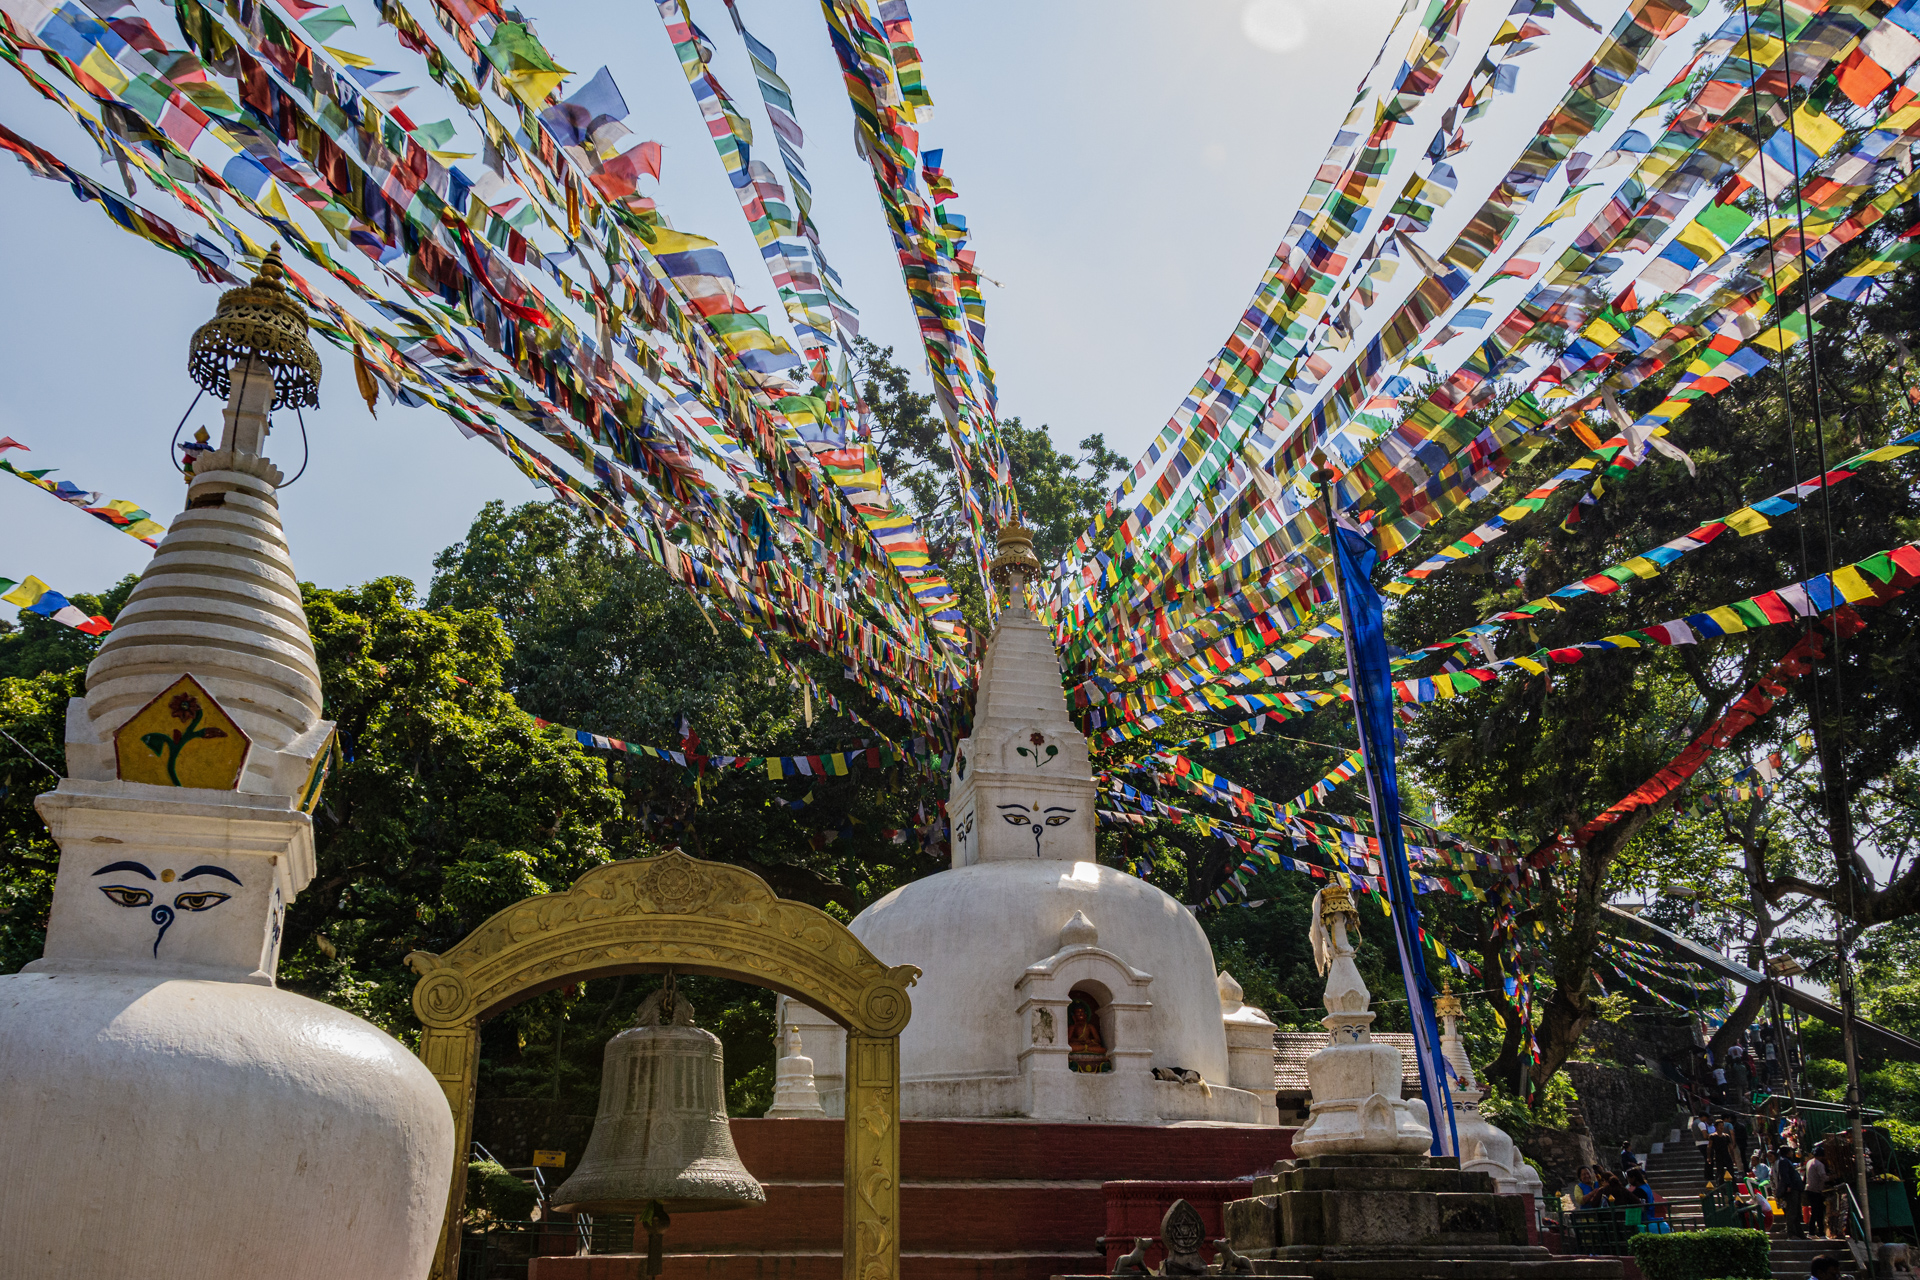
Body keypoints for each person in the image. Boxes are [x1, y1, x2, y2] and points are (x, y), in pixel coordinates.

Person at [1776, 1146, 1806, 1238]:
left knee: (1796, 1212)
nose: (1792, 1153)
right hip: (1791, 1189)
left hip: (1795, 1188)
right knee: (1792, 1211)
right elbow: (1784, 1174)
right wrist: (1788, 1185)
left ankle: (1800, 1233)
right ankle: (1791, 1233)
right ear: (1787, 1152)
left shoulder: (1786, 1161)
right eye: (1791, 1151)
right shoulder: (1783, 1161)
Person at [1804, 1147, 1829, 1238]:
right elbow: (1823, 1177)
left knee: (1816, 1211)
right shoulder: (1819, 1165)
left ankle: (1815, 1232)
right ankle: (1817, 1232)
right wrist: (1833, 1177)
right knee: (1817, 1211)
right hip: (1816, 1190)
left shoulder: (1809, 1162)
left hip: (1810, 1189)